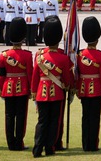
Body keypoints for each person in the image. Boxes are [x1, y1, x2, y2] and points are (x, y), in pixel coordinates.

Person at [31, 16, 74, 158]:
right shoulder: (63, 58)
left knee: (42, 121)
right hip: (57, 93)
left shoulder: (39, 56)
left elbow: (35, 77)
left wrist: (34, 92)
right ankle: (50, 147)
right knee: (54, 122)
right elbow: (66, 80)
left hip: (41, 92)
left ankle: (37, 148)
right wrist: (68, 86)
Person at [0, 17, 33, 151]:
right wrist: (31, 88)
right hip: (22, 88)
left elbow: (1, 75)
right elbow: (30, 74)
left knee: (9, 115)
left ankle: (10, 143)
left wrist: (2, 89)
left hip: (7, 87)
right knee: (20, 116)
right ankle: (19, 142)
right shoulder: (27, 55)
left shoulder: (3, 55)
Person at [76, 16, 101, 152]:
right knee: (94, 118)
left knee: (85, 117)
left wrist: (77, 89)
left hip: (83, 89)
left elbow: (77, 74)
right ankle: (93, 144)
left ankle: (85, 144)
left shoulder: (79, 54)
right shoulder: (100, 55)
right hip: (96, 90)